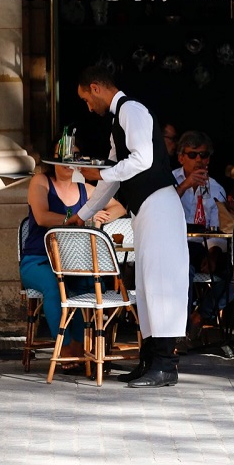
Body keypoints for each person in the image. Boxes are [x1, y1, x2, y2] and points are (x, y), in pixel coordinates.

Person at [70, 65, 189, 388]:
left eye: (85, 98)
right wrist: (83, 213)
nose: (87, 106)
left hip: (159, 204)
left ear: (95, 87)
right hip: (145, 208)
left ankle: (165, 365)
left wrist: (100, 175)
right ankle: (150, 359)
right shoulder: (116, 121)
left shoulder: (132, 110)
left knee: (160, 282)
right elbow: (114, 174)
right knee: (147, 283)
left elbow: (142, 160)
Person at [20, 156, 125, 372]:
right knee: (55, 286)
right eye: (63, 155)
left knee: (89, 285)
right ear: (52, 158)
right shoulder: (41, 181)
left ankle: (85, 346)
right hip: (38, 259)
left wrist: (99, 216)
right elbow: (41, 217)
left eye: (74, 157)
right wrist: (80, 217)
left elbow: (119, 208)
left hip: (71, 263)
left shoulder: (86, 188)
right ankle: (66, 347)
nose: (68, 161)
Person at [172, 131, 230, 329]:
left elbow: (220, 226)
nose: (199, 160)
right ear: (181, 157)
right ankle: (180, 327)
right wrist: (186, 185)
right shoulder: (169, 181)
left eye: (203, 155)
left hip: (205, 244)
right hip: (178, 244)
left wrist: (214, 252)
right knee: (183, 269)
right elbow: (161, 208)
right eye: (192, 155)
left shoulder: (216, 188)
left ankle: (200, 317)